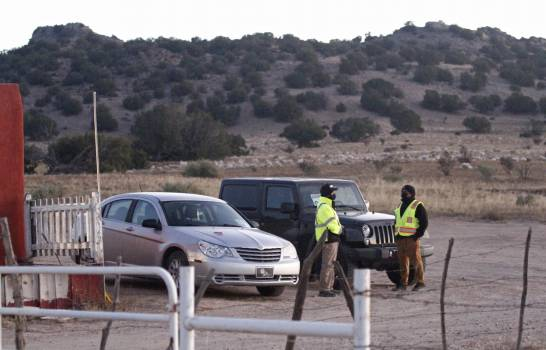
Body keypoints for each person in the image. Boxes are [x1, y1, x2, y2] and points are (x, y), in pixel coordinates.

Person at [392, 184, 428, 292]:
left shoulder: (417, 205)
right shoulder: (399, 206)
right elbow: (397, 221)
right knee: (402, 262)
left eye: (405, 191)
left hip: (411, 239)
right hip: (400, 239)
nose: (403, 192)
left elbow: (424, 223)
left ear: (411, 193)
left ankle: (420, 282)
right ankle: (403, 284)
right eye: (402, 191)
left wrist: (417, 236)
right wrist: (396, 235)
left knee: (416, 261)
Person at [315, 183, 343, 297]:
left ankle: (329, 287)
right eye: (332, 192)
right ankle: (324, 289)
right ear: (328, 194)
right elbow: (332, 225)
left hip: (331, 239)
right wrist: (340, 229)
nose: (334, 194)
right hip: (328, 239)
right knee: (327, 265)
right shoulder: (325, 207)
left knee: (331, 264)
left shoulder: (327, 206)